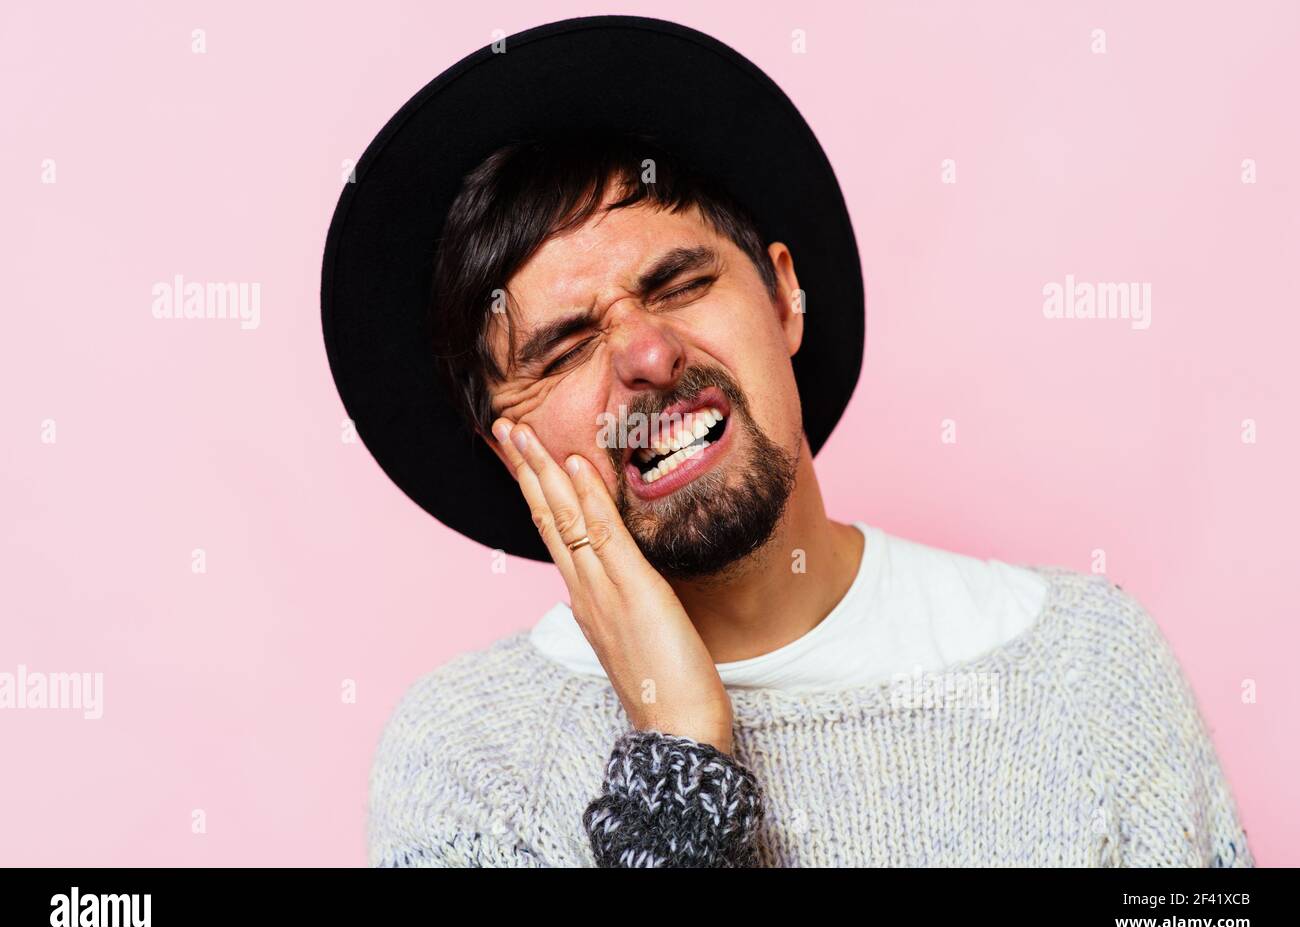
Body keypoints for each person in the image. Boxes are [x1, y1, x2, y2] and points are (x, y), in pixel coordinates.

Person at [321, 16, 1253, 867]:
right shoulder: (464, 764)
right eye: (565, 347)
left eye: (680, 283)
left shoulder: (1088, 668)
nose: (647, 353)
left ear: (782, 299)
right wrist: (677, 762)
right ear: (508, 446)